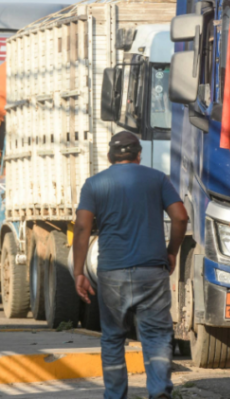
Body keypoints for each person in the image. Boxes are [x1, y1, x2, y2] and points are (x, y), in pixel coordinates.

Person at [72, 131, 188, 399]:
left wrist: (78, 271)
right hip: (152, 271)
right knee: (156, 336)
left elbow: (82, 227)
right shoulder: (157, 179)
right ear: (139, 155)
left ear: (110, 156)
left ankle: (115, 395)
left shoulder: (94, 184)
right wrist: (172, 252)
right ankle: (159, 391)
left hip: (112, 273)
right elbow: (180, 217)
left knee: (113, 337)